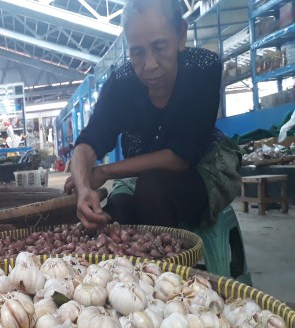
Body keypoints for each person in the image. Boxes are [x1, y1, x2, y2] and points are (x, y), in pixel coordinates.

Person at [65, 0, 241, 230]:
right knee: (112, 216)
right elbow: (90, 140)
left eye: (159, 47)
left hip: (202, 169)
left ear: (180, 36)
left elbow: (180, 156)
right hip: (140, 178)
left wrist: (105, 171)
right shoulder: (121, 83)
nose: (149, 64)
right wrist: (83, 186)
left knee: (152, 190)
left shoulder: (203, 69)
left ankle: (170, 265)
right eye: (137, 52)